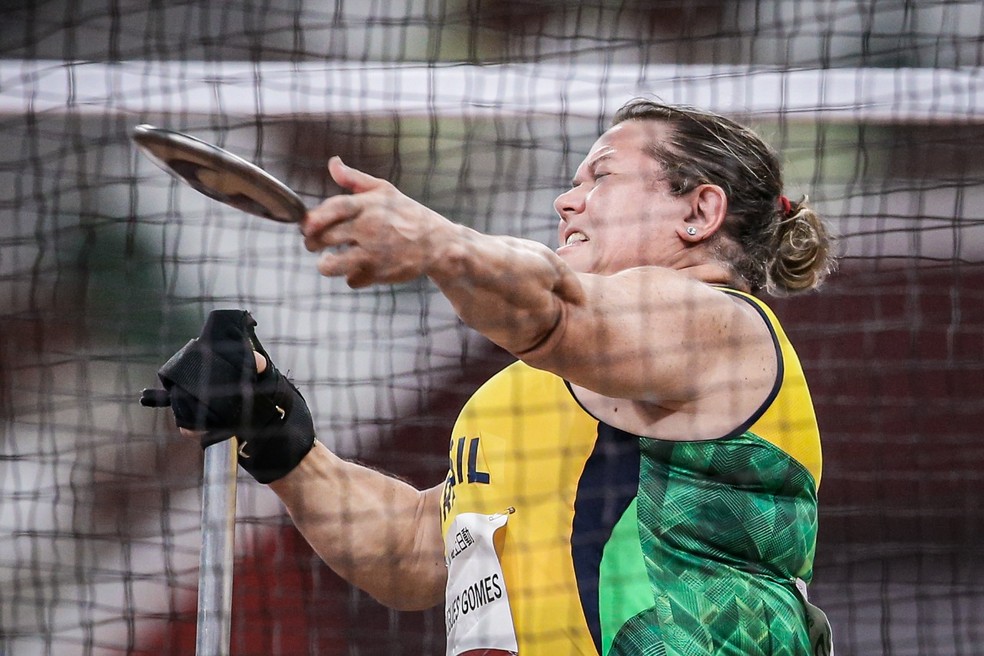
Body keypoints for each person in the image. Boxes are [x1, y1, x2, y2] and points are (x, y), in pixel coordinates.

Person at [145, 99, 836, 655]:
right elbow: (417, 551)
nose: (569, 201)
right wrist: (278, 437)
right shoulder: (514, 395)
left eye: (600, 176)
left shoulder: (725, 330)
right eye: (572, 182)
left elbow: (559, 306)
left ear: (700, 212)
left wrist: (436, 241)